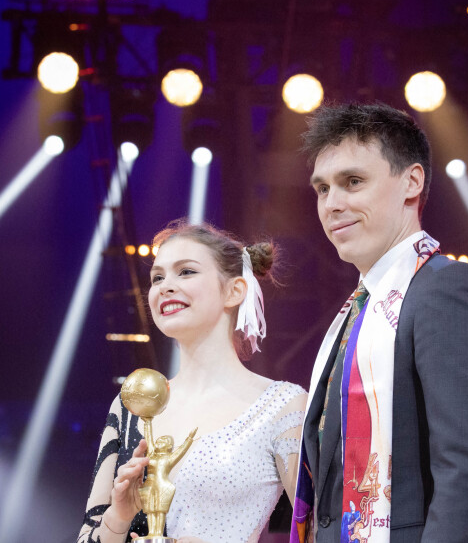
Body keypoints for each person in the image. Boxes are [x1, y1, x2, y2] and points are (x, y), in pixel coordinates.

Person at [291, 102, 468, 543]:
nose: (332, 204)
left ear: (411, 182)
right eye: (321, 189)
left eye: (352, 182)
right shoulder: (355, 311)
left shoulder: (448, 291)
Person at [78, 220, 307, 543]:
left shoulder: (283, 406)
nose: (165, 286)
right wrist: (119, 515)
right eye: (157, 277)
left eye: (186, 272)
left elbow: (316, 530)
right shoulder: (131, 406)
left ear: (234, 290)